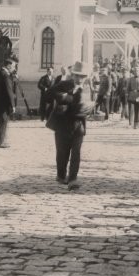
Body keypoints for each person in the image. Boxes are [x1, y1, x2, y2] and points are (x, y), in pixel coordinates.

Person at [45, 61, 94, 191]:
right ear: (72, 75)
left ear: (86, 77)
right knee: (62, 152)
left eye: (82, 76)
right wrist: (65, 98)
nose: (79, 79)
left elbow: (91, 103)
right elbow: (48, 94)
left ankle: (73, 179)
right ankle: (61, 175)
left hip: (79, 124)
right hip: (63, 124)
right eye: (77, 76)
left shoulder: (88, 87)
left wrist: (90, 107)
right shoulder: (64, 85)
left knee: (76, 152)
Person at [0, 58, 16, 148]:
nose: (14, 68)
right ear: (9, 65)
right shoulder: (5, 75)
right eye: (13, 66)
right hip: (4, 102)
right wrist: (13, 105)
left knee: (1, 121)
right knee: (3, 122)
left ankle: (1, 141)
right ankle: (0, 143)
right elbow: (9, 91)